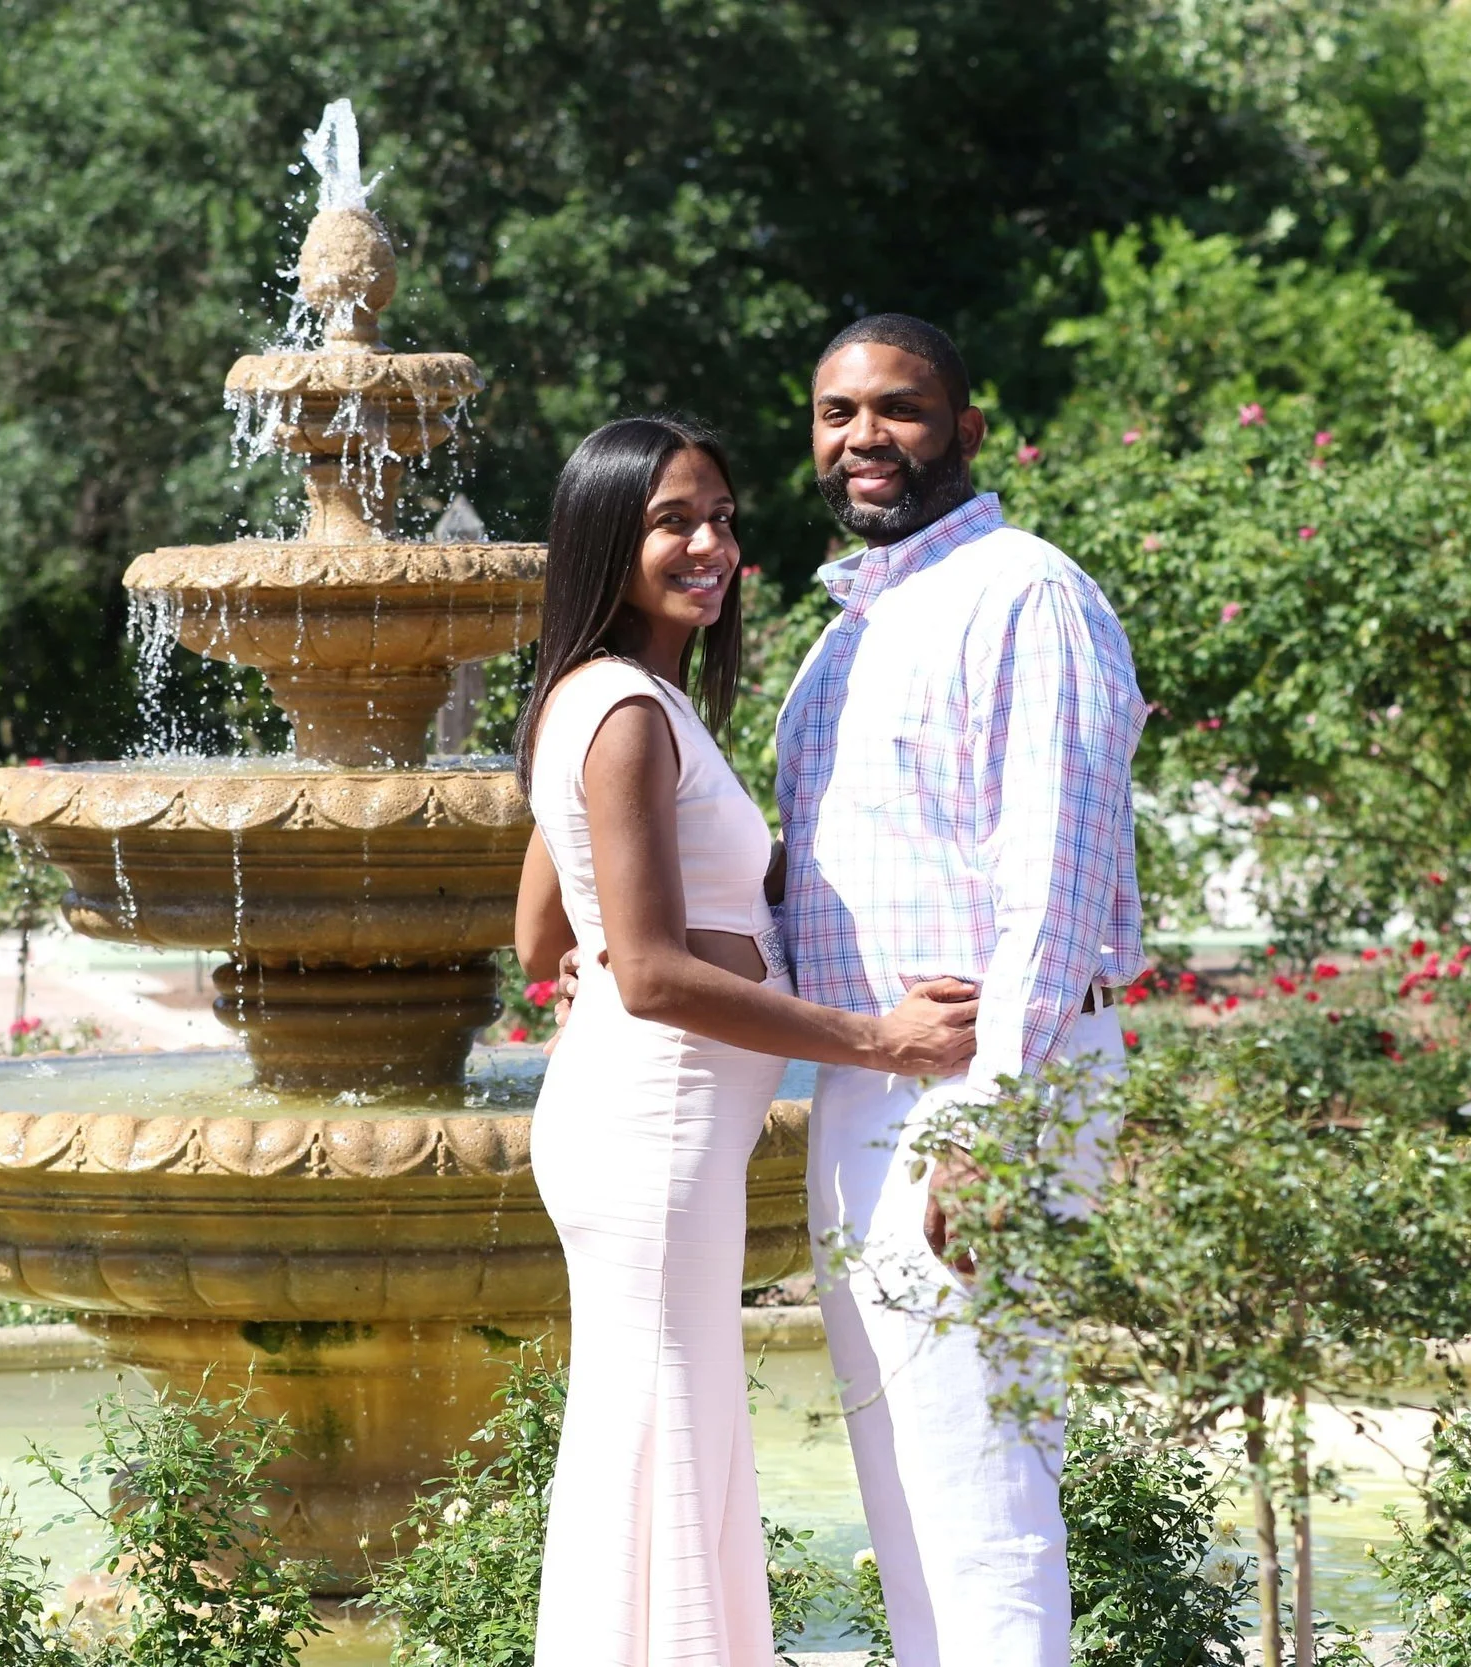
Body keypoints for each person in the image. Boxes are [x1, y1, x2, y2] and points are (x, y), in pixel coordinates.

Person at [511, 413, 980, 1667]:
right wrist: (877, 1037)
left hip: (646, 1116)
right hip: (652, 1121)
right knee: (663, 1423)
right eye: (673, 520)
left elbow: (537, 932)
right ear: (607, 538)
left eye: (721, 517)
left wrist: (648, 947)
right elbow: (654, 974)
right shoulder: (622, 711)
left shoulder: (608, 695)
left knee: (669, 1421)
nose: (710, 543)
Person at [777, 314, 1146, 1667]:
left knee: (985, 1492)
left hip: (980, 1089)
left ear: (968, 430)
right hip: (867, 1081)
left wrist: (997, 1118)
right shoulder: (845, 636)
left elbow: (1058, 873)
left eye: (900, 409)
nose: (864, 436)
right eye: (835, 412)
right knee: (910, 1490)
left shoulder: (1025, 591)